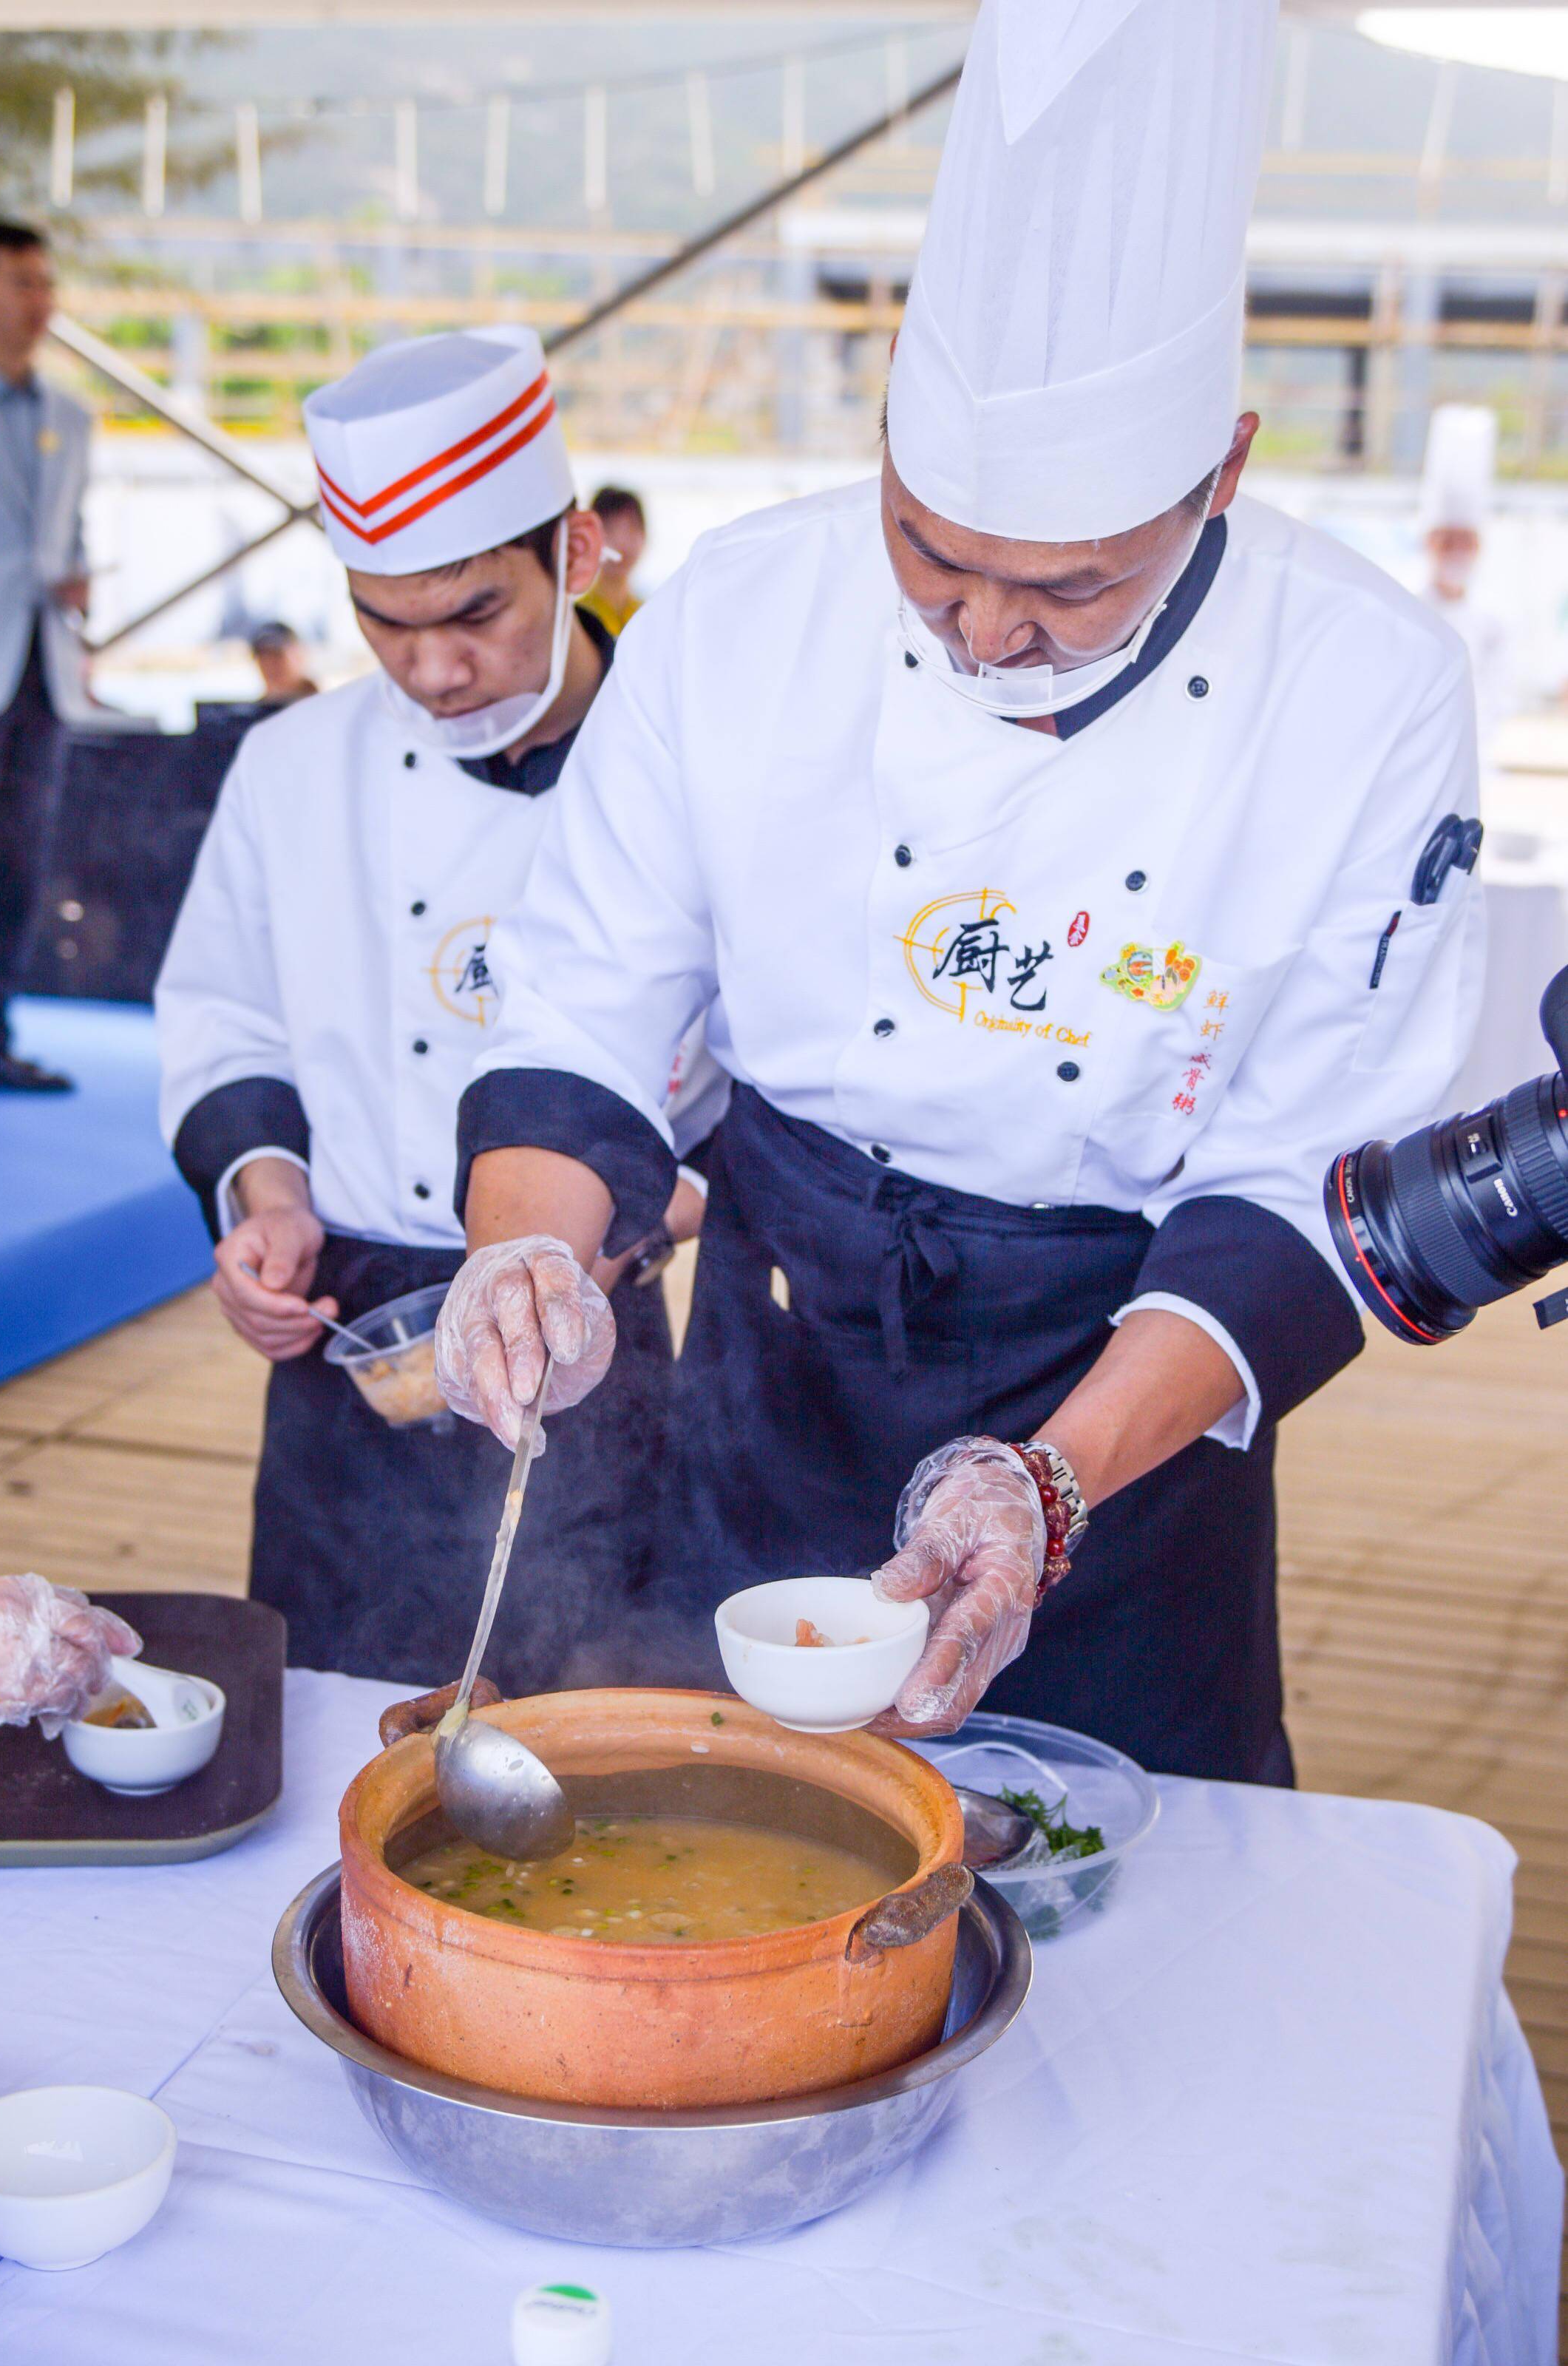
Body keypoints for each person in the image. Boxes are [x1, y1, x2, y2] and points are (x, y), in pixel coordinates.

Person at [434, 0, 1484, 1784]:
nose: (982, 625)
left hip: (1123, 1386)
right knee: (721, 1839)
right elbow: (582, 1011)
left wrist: (1043, 1483)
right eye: (924, 547)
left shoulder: (1365, 689)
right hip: (775, 1349)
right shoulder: (738, 615)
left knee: (1123, 1888)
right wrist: (526, 1243)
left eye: (1067, 586)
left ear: (1218, 473)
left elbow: (1305, 1184)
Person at [155, 326, 718, 1690]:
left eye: (475, 615)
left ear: (578, 553)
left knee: (601, 1722)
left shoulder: (694, 767)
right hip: (351, 1341)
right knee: (332, 1725)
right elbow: (225, 1017)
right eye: (383, 624)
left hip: (591, 1319)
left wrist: (646, 1214)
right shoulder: (292, 769)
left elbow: (777, 1077)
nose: (432, 670)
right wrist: (267, 1203)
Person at [0, 220, 91, 1094]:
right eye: (21, 281)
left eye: (44, 283)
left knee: (20, 856)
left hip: (39, 666)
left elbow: (70, 530)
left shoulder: (71, 413)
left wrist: (76, 582)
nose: (39, 301)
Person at [1419, 404, 1512, 767]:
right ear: (1430, 543)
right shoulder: (1407, 608)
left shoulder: (1493, 619)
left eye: (1465, 541)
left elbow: (1498, 693)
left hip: (1475, 757)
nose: (1457, 552)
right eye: (1448, 541)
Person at [578, 485, 646, 637]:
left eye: (630, 528)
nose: (621, 542)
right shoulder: (578, 617)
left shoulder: (651, 613)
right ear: (591, 537)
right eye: (610, 529)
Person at [248, 620, 319, 708]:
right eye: (262, 656)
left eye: (277, 655)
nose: (269, 665)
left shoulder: (322, 709)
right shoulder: (254, 714)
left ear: (300, 655)